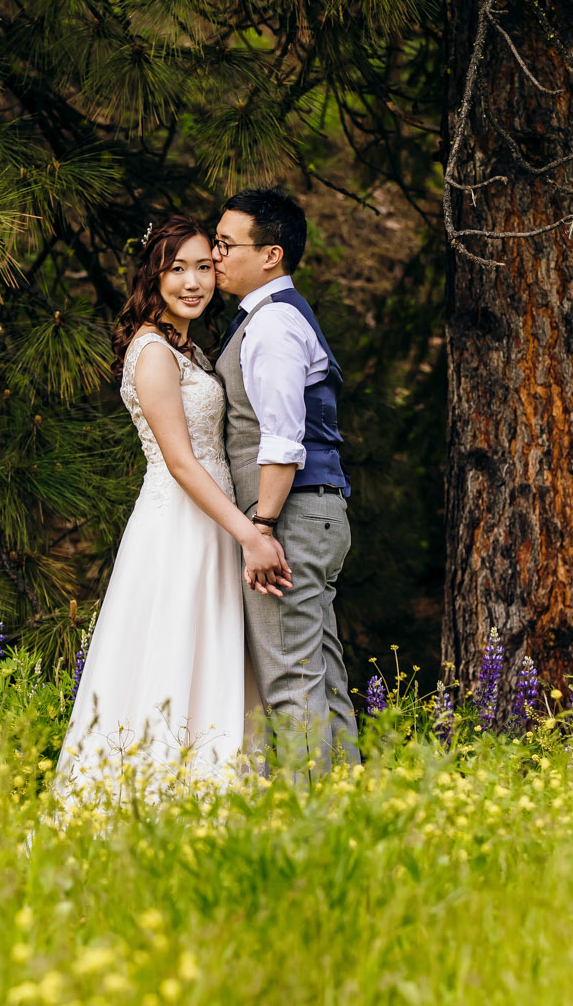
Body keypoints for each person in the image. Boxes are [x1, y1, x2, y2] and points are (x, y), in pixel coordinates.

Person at [52, 214, 288, 804]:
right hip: (180, 525)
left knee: (208, 656)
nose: (193, 282)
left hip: (210, 524)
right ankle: (152, 801)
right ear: (153, 275)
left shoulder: (189, 350)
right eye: (177, 268)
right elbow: (181, 463)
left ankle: (211, 801)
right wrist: (250, 534)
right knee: (170, 651)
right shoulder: (152, 350)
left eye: (205, 267)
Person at [210, 187, 360, 773]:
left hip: (290, 517)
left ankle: (309, 826)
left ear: (270, 254)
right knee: (320, 674)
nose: (216, 255)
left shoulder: (271, 326)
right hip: (315, 514)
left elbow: (281, 439)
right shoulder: (276, 316)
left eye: (226, 244)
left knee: (291, 682)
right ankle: (349, 808)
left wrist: (263, 527)